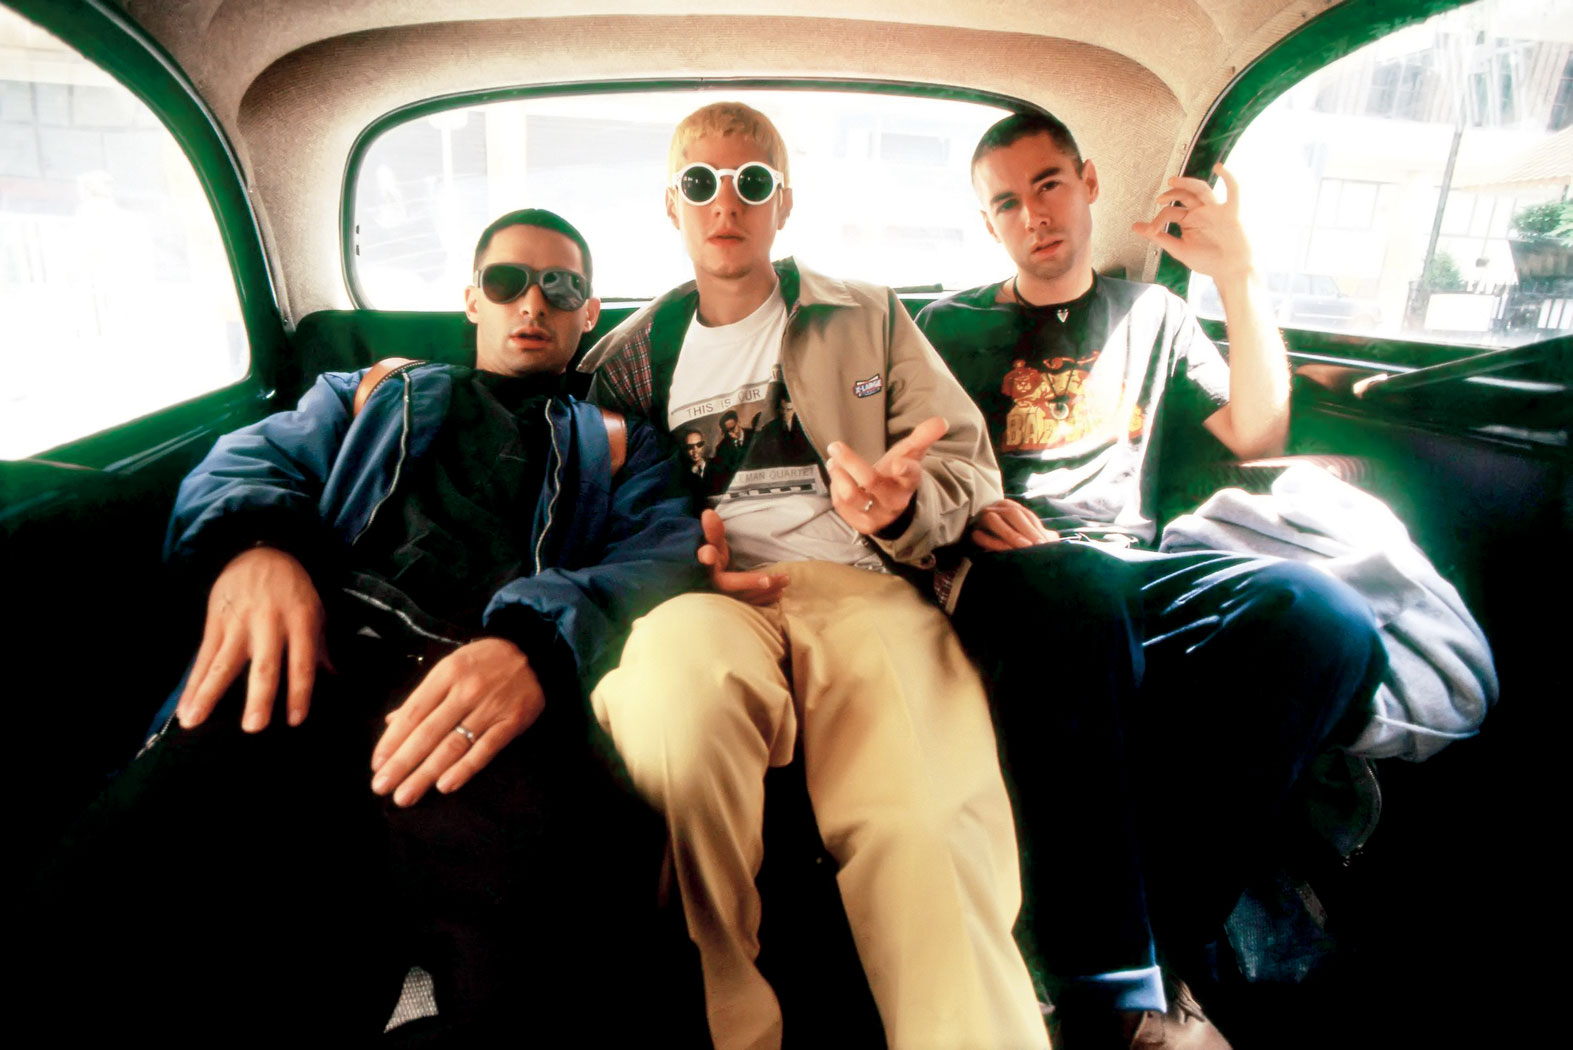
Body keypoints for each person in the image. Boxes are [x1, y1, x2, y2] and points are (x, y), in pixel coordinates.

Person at [33, 208, 704, 1043]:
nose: (532, 302)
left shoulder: (619, 443)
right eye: (507, 282)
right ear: (472, 300)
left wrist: (533, 643)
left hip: (473, 703)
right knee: (103, 895)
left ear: (588, 312)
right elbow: (247, 460)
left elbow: (662, 555)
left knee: (562, 959)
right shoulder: (372, 388)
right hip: (309, 663)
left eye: (559, 287)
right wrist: (259, 546)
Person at [913, 110, 1388, 1050]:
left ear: (1087, 183)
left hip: (1129, 562)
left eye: (1048, 185)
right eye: (1005, 203)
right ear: (987, 224)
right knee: (1069, 591)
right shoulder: (944, 326)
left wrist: (1237, 276)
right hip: (1007, 570)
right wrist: (968, 513)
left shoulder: (1154, 315)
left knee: (1325, 613)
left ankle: (1156, 948)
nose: (1033, 215)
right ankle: (1108, 990)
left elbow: (1255, 434)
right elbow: (919, 467)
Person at [579, 102, 1046, 1050]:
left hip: (862, 586)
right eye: (700, 184)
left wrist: (902, 508)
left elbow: (965, 465)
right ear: (671, 206)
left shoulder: (867, 314)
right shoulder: (623, 363)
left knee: (926, 814)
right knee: (673, 708)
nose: (726, 203)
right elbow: (583, 503)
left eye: (750, 183)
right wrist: (672, 567)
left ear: (782, 204)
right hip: (708, 600)